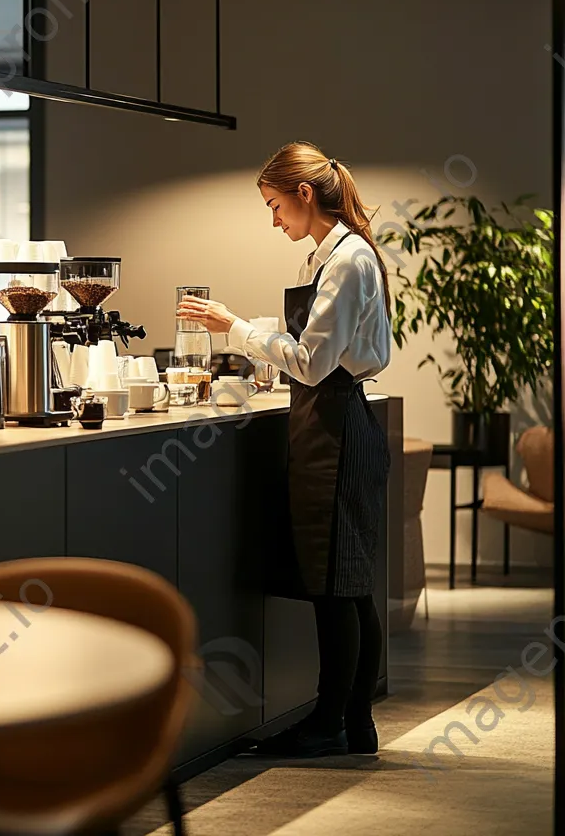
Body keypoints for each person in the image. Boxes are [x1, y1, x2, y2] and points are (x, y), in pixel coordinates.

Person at [178, 141, 392, 758]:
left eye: (275, 206)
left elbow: (311, 360)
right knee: (347, 584)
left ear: (304, 196)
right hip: (332, 418)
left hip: (337, 426)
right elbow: (312, 347)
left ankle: (331, 725)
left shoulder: (345, 261)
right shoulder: (333, 255)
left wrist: (234, 329)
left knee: (335, 585)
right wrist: (244, 327)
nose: (274, 220)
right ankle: (354, 725)